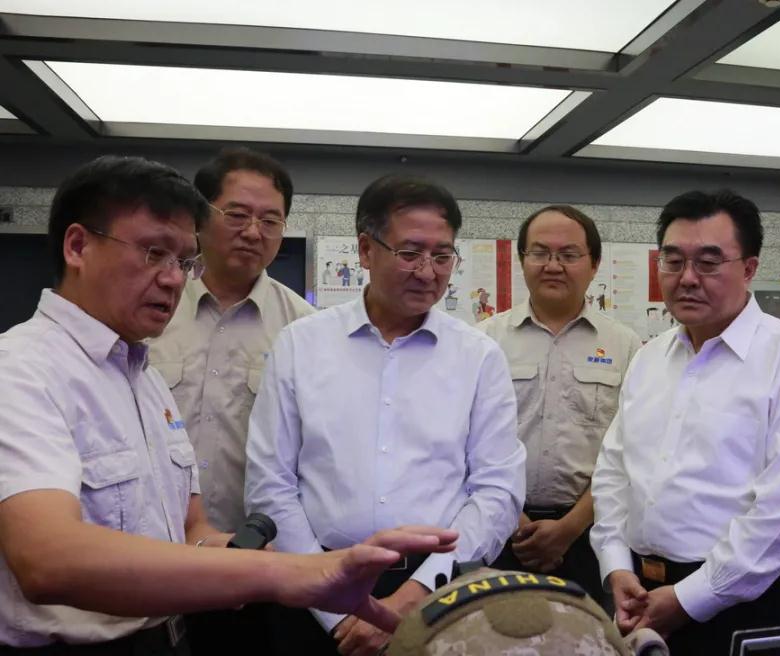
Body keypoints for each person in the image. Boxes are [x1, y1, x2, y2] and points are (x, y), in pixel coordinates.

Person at [0, 156, 456, 654]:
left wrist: (304, 562)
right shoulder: (22, 369)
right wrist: (284, 573)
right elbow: (47, 559)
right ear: (77, 246)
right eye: (154, 253)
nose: (173, 279)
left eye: (183, 262)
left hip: (170, 631)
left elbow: (191, 528)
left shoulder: (142, 376)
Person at [244, 174, 526, 656]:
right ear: (365, 249)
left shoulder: (478, 356)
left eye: (442, 256)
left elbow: (497, 489)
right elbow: (270, 482)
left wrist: (414, 597)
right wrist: (334, 606)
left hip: (436, 594)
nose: (427, 271)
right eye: (410, 253)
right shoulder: (301, 345)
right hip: (312, 591)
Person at [590, 189, 780, 656]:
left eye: (708, 263)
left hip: (742, 605)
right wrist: (616, 563)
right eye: (672, 261)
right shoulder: (649, 358)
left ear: (749, 268)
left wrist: (690, 598)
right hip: (639, 592)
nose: (687, 278)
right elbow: (614, 470)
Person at [147, 146, 315, 652]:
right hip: (147, 558)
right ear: (200, 217)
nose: (253, 232)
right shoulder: (149, 308)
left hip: (253, 565)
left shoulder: (303, 330)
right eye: (237, 215)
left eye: (271, 220)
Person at [477, 205, 640, 601]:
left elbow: (633, 451)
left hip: (591, 535)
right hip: (499, 529)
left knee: (590, 633)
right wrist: (515, 521)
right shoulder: (483, 341)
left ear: (594, 264)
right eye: (539, 252)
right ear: (522, 260)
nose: (553, 265)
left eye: (569, 254)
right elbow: (466, 440)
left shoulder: (626, 347)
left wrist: (569, 528)